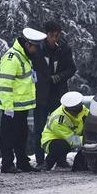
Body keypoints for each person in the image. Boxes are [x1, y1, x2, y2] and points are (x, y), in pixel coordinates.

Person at [0, 27, 45, 173]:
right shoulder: (12, 58)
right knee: (8, 137)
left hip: (22, 107)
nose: (36, 51)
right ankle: (7, 164)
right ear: (27, 45)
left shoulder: (24, 57)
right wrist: (8, 107)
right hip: (12, 107)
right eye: (35, 47)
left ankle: (22, 162)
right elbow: (5, 84)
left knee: (21, 136)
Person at [32, 19, 77, 168]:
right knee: (39, 129)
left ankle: (60, 159)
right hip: (41, 95)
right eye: (52, 35)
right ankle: (40, 160)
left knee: (61, 128)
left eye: (57, 35)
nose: (54, 39)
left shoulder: (65, 49)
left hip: (59, 95)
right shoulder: (37, 49)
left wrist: (59, 77)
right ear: (46, 35)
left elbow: (72, 69)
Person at [40, 91, 89, 171]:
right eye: (75, 110)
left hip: (72, 138)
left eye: (79, 107)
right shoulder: (58, 119)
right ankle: (47, 164)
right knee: (62, 145)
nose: (78, 111)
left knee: (87, 140)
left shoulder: (82, 110)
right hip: (51, 141)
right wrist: (89, 140)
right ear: (68, 109)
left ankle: (80, 165)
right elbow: (72, 140)